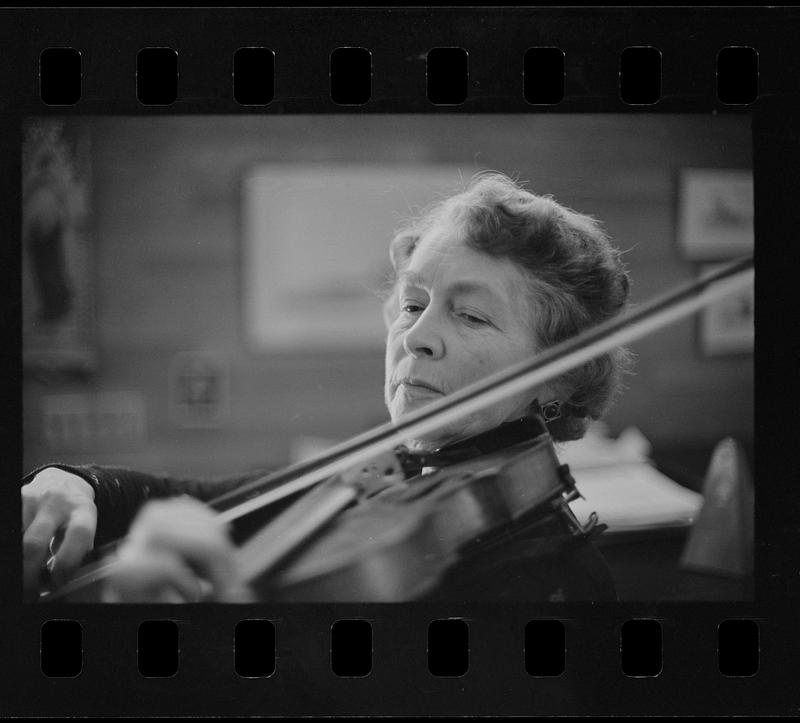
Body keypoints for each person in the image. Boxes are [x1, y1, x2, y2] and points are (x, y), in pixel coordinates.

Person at [21, 171, 633, 603]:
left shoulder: (553, 577)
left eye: (470, 315)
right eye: (413, 302)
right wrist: (79, 485)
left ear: (558, 374)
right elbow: (203, 503)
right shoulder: (388, 470)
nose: (415, 336)